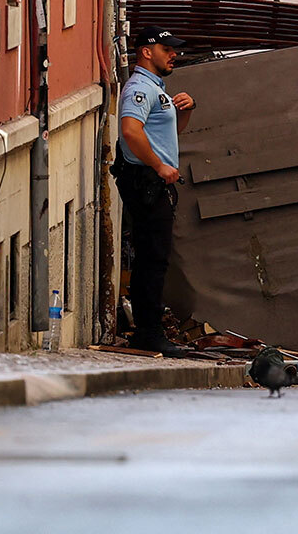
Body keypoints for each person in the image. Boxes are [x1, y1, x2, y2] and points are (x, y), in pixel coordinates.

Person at [114, 26, 196, 357]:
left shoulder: (155, 88)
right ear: (147, 52)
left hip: (154, 181)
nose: (174, 54)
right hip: (145, 181)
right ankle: (148, 333)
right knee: (152, 258)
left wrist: (185, 110)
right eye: (167, 49)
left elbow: (170, 133)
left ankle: (149, 330)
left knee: (156, 257)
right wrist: (159, 166)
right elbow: (130, 132)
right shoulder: (139, 89)